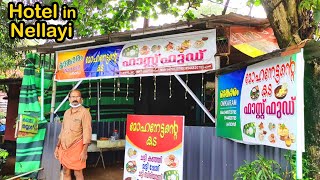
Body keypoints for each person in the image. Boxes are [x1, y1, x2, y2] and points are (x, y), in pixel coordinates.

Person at [54, 89, 92, 180]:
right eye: (73, 97)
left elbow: (87, 132)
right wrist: (57, 146)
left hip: (77, 147)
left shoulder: (85, 113)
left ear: (81, 99)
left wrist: (84, 151)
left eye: (77, 97)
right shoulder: (66, 112)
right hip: (64, 147)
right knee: (65, 170)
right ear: (69, 99)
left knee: (78, 172)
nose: (75, 99)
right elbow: (62, 131)